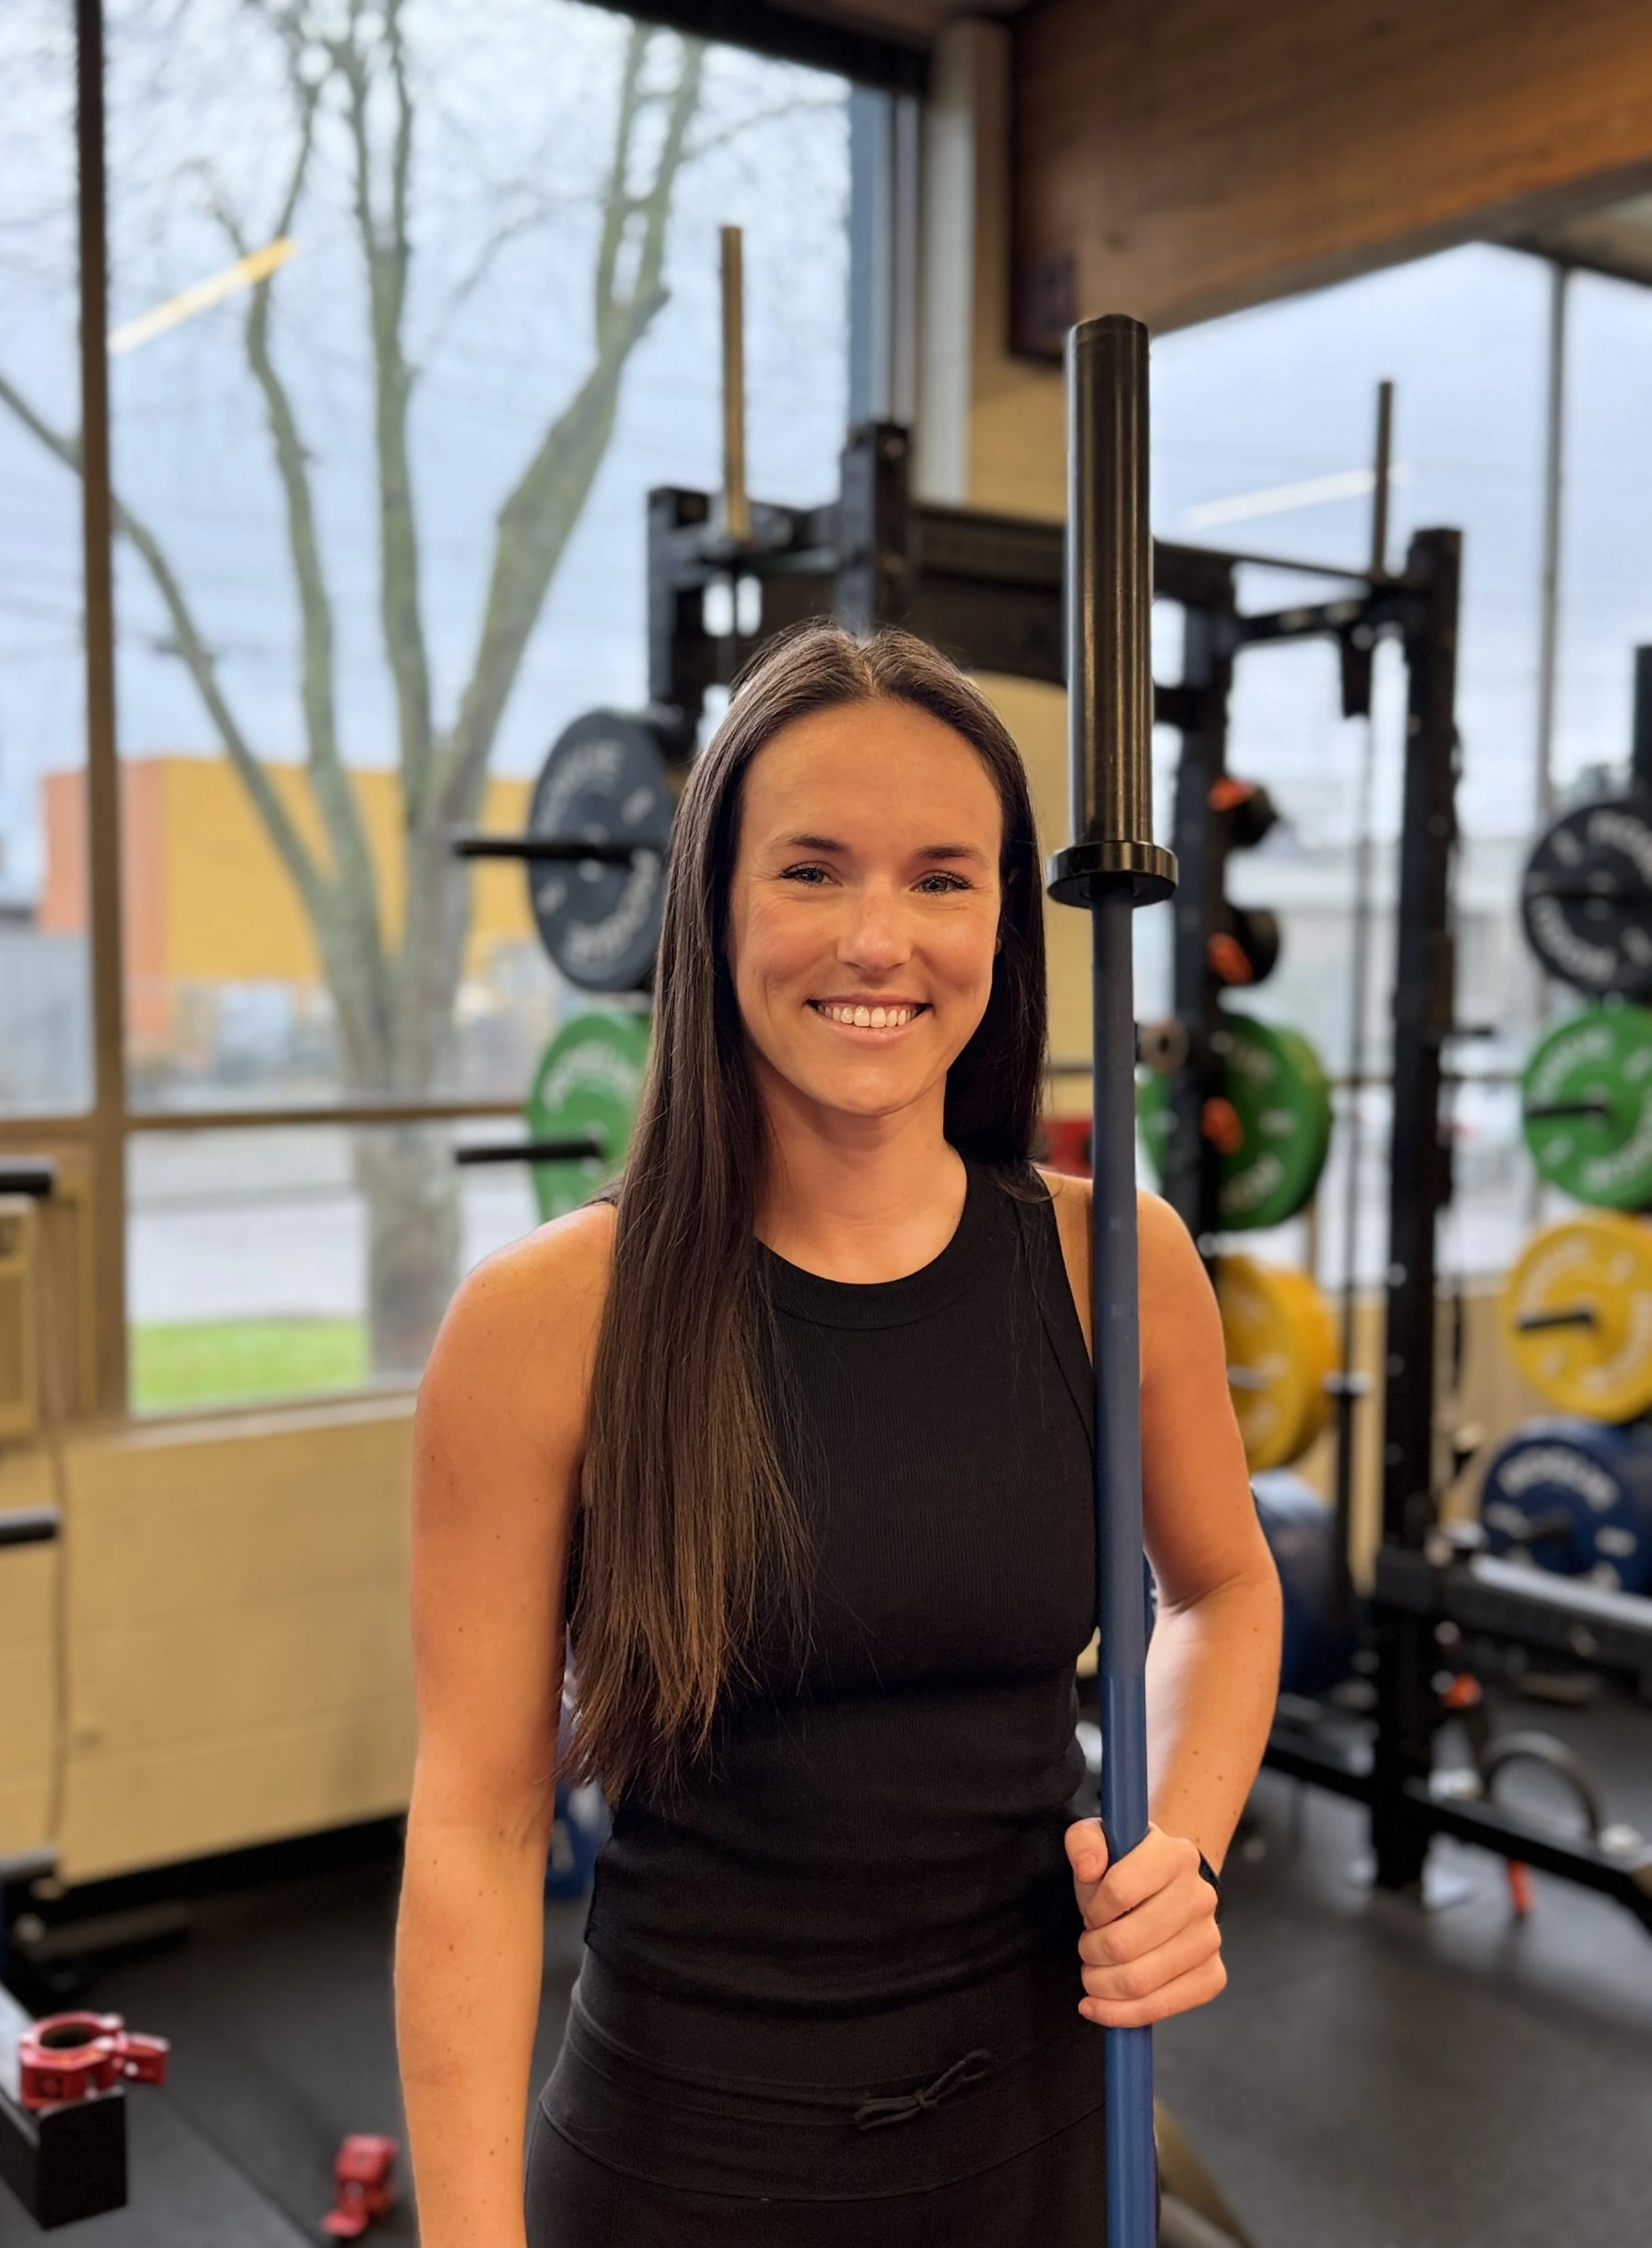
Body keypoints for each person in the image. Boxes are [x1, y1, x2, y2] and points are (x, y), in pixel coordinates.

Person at [396, 625, 1283, 2247]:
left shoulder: (1112, 1265)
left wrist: (1182, 1848)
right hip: (685, 2168)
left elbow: (1222, 1592)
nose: (879, 940)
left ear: (1005, 926)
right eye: (811, 869)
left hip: (1048, 2139)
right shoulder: (543, 1324)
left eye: (943, 880)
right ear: (713, 901)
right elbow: (476, 1818)